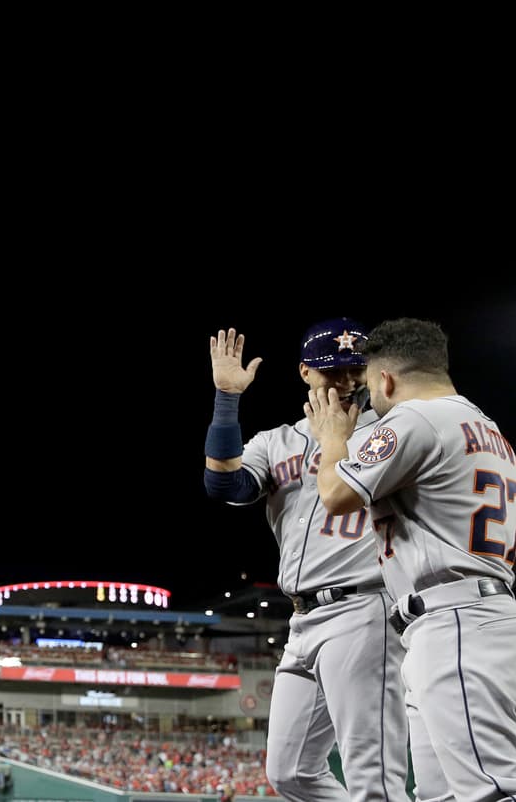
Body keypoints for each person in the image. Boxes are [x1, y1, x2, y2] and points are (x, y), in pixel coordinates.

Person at [306, 317, 516, 802]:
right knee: (441, 795)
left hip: (457, 621)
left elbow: (334, 494)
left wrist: (332, 438)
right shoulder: (488, 428)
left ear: (387, 379)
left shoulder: (414, 418)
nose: (368, 397)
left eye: (370, 383)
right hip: (472, 614)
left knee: (498, 791)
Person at [204, 321, 410, 802]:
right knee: (290, 772)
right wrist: (227, 398)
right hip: (302, 620)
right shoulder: (277, 441)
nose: (346, 381)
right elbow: (224, 486)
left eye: (356, 369)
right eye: (332, 371)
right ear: (304, 372)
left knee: (373, 778)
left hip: (365, 608)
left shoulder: (391, 433)